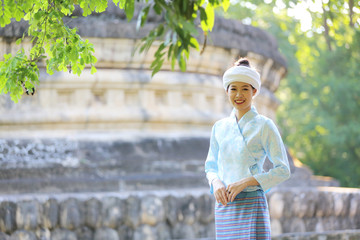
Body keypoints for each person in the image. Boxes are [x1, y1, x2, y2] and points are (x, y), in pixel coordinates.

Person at [205, 58, 291, 239]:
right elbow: (210, 166)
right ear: (226, 91)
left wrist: (246, 181)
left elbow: (283, 170)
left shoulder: (265, 125)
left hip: (251, 203)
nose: (238, 95)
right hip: (225, 204)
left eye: (245, 89)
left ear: (254, 91)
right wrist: (216, 183)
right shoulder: (219, 127)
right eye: (233, 89)